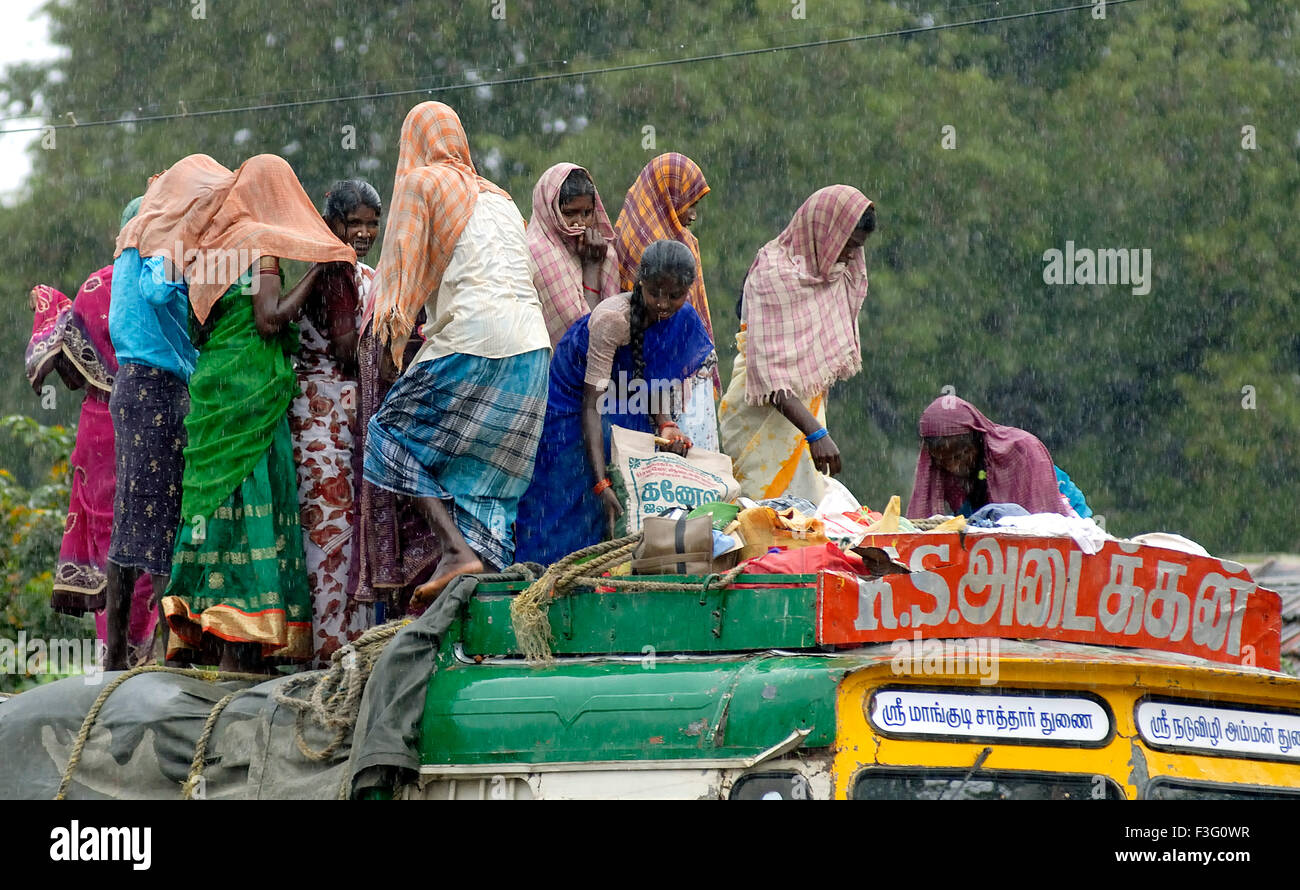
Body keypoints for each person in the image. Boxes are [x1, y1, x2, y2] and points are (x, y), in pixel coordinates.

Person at [160, 154, 357, 671]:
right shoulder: (259, 246)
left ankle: (206, 629)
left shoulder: (210, 249)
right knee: (253, 506)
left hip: (214, 387)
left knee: (210, 508)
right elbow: (269, 320)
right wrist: (317, 268)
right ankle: (242, 643)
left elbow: (199, 328)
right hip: (252, 391)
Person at [365, 101, 551, 607]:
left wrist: (390, 351)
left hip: (475, 338)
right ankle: (489, 628)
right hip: (533, 353)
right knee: (484, 490)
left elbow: (397, 286)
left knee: (387, 436)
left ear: (414, 145)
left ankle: (453, 551)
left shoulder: (421, 183)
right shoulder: (501, 198)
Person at [107, 157, 233, 671]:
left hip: (136, 386)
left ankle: (119, 654)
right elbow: (159, 291)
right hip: (155, 388)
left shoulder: (134, 231)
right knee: (161, 519)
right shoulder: (157, 235)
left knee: (132, 517)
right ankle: (168, 654)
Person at [515, 239, 713, 566]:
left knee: (626, 486)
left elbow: (655, 376)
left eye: (674, 296)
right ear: (640, 285)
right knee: (569, 495)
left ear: (688, 291)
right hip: (575, 399)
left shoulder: (684, 320)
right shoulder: (613, 320)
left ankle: (600, 583)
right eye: (655, 293)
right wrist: (599, 483)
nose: (663, 304)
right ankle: (544, 579)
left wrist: (666, 424)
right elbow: (591, 404)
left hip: (627, 397)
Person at [26, 215, 157, 664]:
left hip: (101, 427)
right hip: (152, 423)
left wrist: (54, 310)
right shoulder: (168, 283)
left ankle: (115, 654)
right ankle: (146, 649)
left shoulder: (97, 287)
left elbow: (69, 375)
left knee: (112, 543)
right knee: (151, 536)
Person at [718, 185, 875, 504]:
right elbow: (769, 378)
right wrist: (816, 433)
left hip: (806, 417)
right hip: (758, 418)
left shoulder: (834, 273)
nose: (850, 256)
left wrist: (814, 430)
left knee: (804, 523)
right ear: (824, 231)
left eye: (857, 248)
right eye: (847, 245)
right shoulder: (772, 275)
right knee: (760, 519)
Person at [289, 179, 381, 666]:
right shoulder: (335, 271)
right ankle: (331, 652)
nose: (364, 232)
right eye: (355, 223)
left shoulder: (356, 270)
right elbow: (348, 345)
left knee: (343, 531)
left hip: (342, 414)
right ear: (333, 223)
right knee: (331, 533)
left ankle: (343, 647)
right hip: (323, 416)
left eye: (372, 223)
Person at [613, 152, 720, 451]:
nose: (693, 214)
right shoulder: (648, 245)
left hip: (662, 373)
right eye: (690, 203)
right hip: (646, 374)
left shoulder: (665, 238)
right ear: (667, 196)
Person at [906, 395, 1090, 518]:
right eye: (944, 461)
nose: (954, 467)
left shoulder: (1021, 450)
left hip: (1061, 513)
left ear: (977, 441)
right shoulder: (944, 473)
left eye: (960, 455)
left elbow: (1044, 522)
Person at [527, 163, 621, 348]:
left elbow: (612, 324)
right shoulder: (537, 253)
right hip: (556, 366)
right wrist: (591, 269)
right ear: (549, 211)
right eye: (570, 213)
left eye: (587, 213)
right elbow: (584, 335)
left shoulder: (602, 251)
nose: (580, 223)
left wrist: (597, 262)